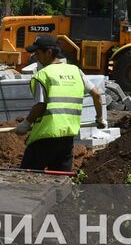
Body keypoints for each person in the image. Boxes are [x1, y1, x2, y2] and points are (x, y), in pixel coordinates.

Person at [15, 35, 105, 172]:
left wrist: (26, 123)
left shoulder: (42, 75)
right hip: (67, 139)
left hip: (44, 137)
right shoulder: (76, 71)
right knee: (60, 181)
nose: (36, 57)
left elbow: (40, 105)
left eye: (38, 53)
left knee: (26, 178)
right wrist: (100, 118)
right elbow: (97, 94)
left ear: (49, 53)